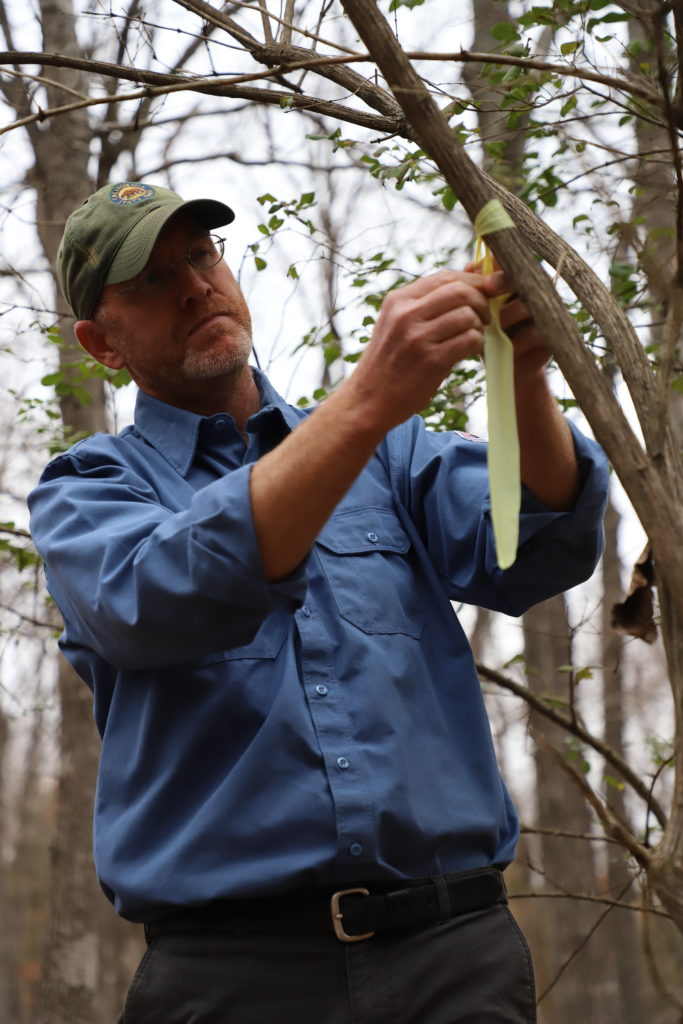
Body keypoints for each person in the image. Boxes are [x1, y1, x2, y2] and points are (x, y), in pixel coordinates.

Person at [28, 180, 609, 1024]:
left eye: (199, 255)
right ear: (99, 342)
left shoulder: (392, 454)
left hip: (455, 960)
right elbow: (146, 600)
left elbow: (538, 544)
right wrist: (369, 398)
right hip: (232, 977)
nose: (194, 285)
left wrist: (521, 370)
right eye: (151, 280)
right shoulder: (88, 491)